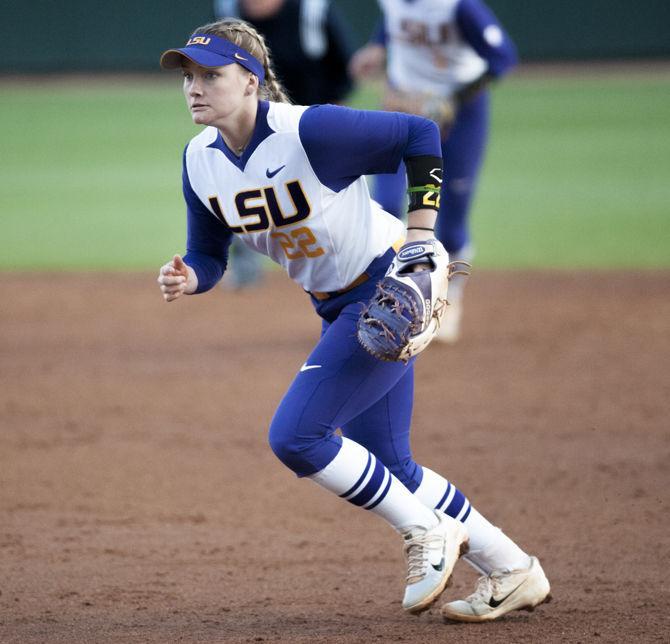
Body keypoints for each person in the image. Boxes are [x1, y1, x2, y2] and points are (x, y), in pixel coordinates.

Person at [157, 18, 550, 622]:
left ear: (252, 80)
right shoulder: (199, 162)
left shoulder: (310, 130)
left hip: (392, 285)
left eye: (211, 74)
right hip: (339, 305)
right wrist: (192, 276)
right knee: (392, 465)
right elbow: (210, 251)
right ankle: (513, 569)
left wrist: (422, 235)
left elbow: (420, 133)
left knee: (296, 435)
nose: (194, 87)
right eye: (189, 75)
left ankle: (426, 531)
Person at [349, 0, 518, 343]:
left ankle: (449, 299)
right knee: (383, 205)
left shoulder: (458, 7)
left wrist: (455, 98)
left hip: (460, 118)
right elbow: (394, 21)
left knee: (452, 222)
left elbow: (504, 56)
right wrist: (378, 47)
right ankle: (386, 300)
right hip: (403, 108)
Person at [213, 0, 354, 288]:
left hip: (310, 121)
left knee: (324, 202)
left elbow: (343, 69)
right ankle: (244, 261)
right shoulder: (228, 9)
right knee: (241, 182)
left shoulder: (311, 10)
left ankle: (349, 266)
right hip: (257, 122)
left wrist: (330, 123)